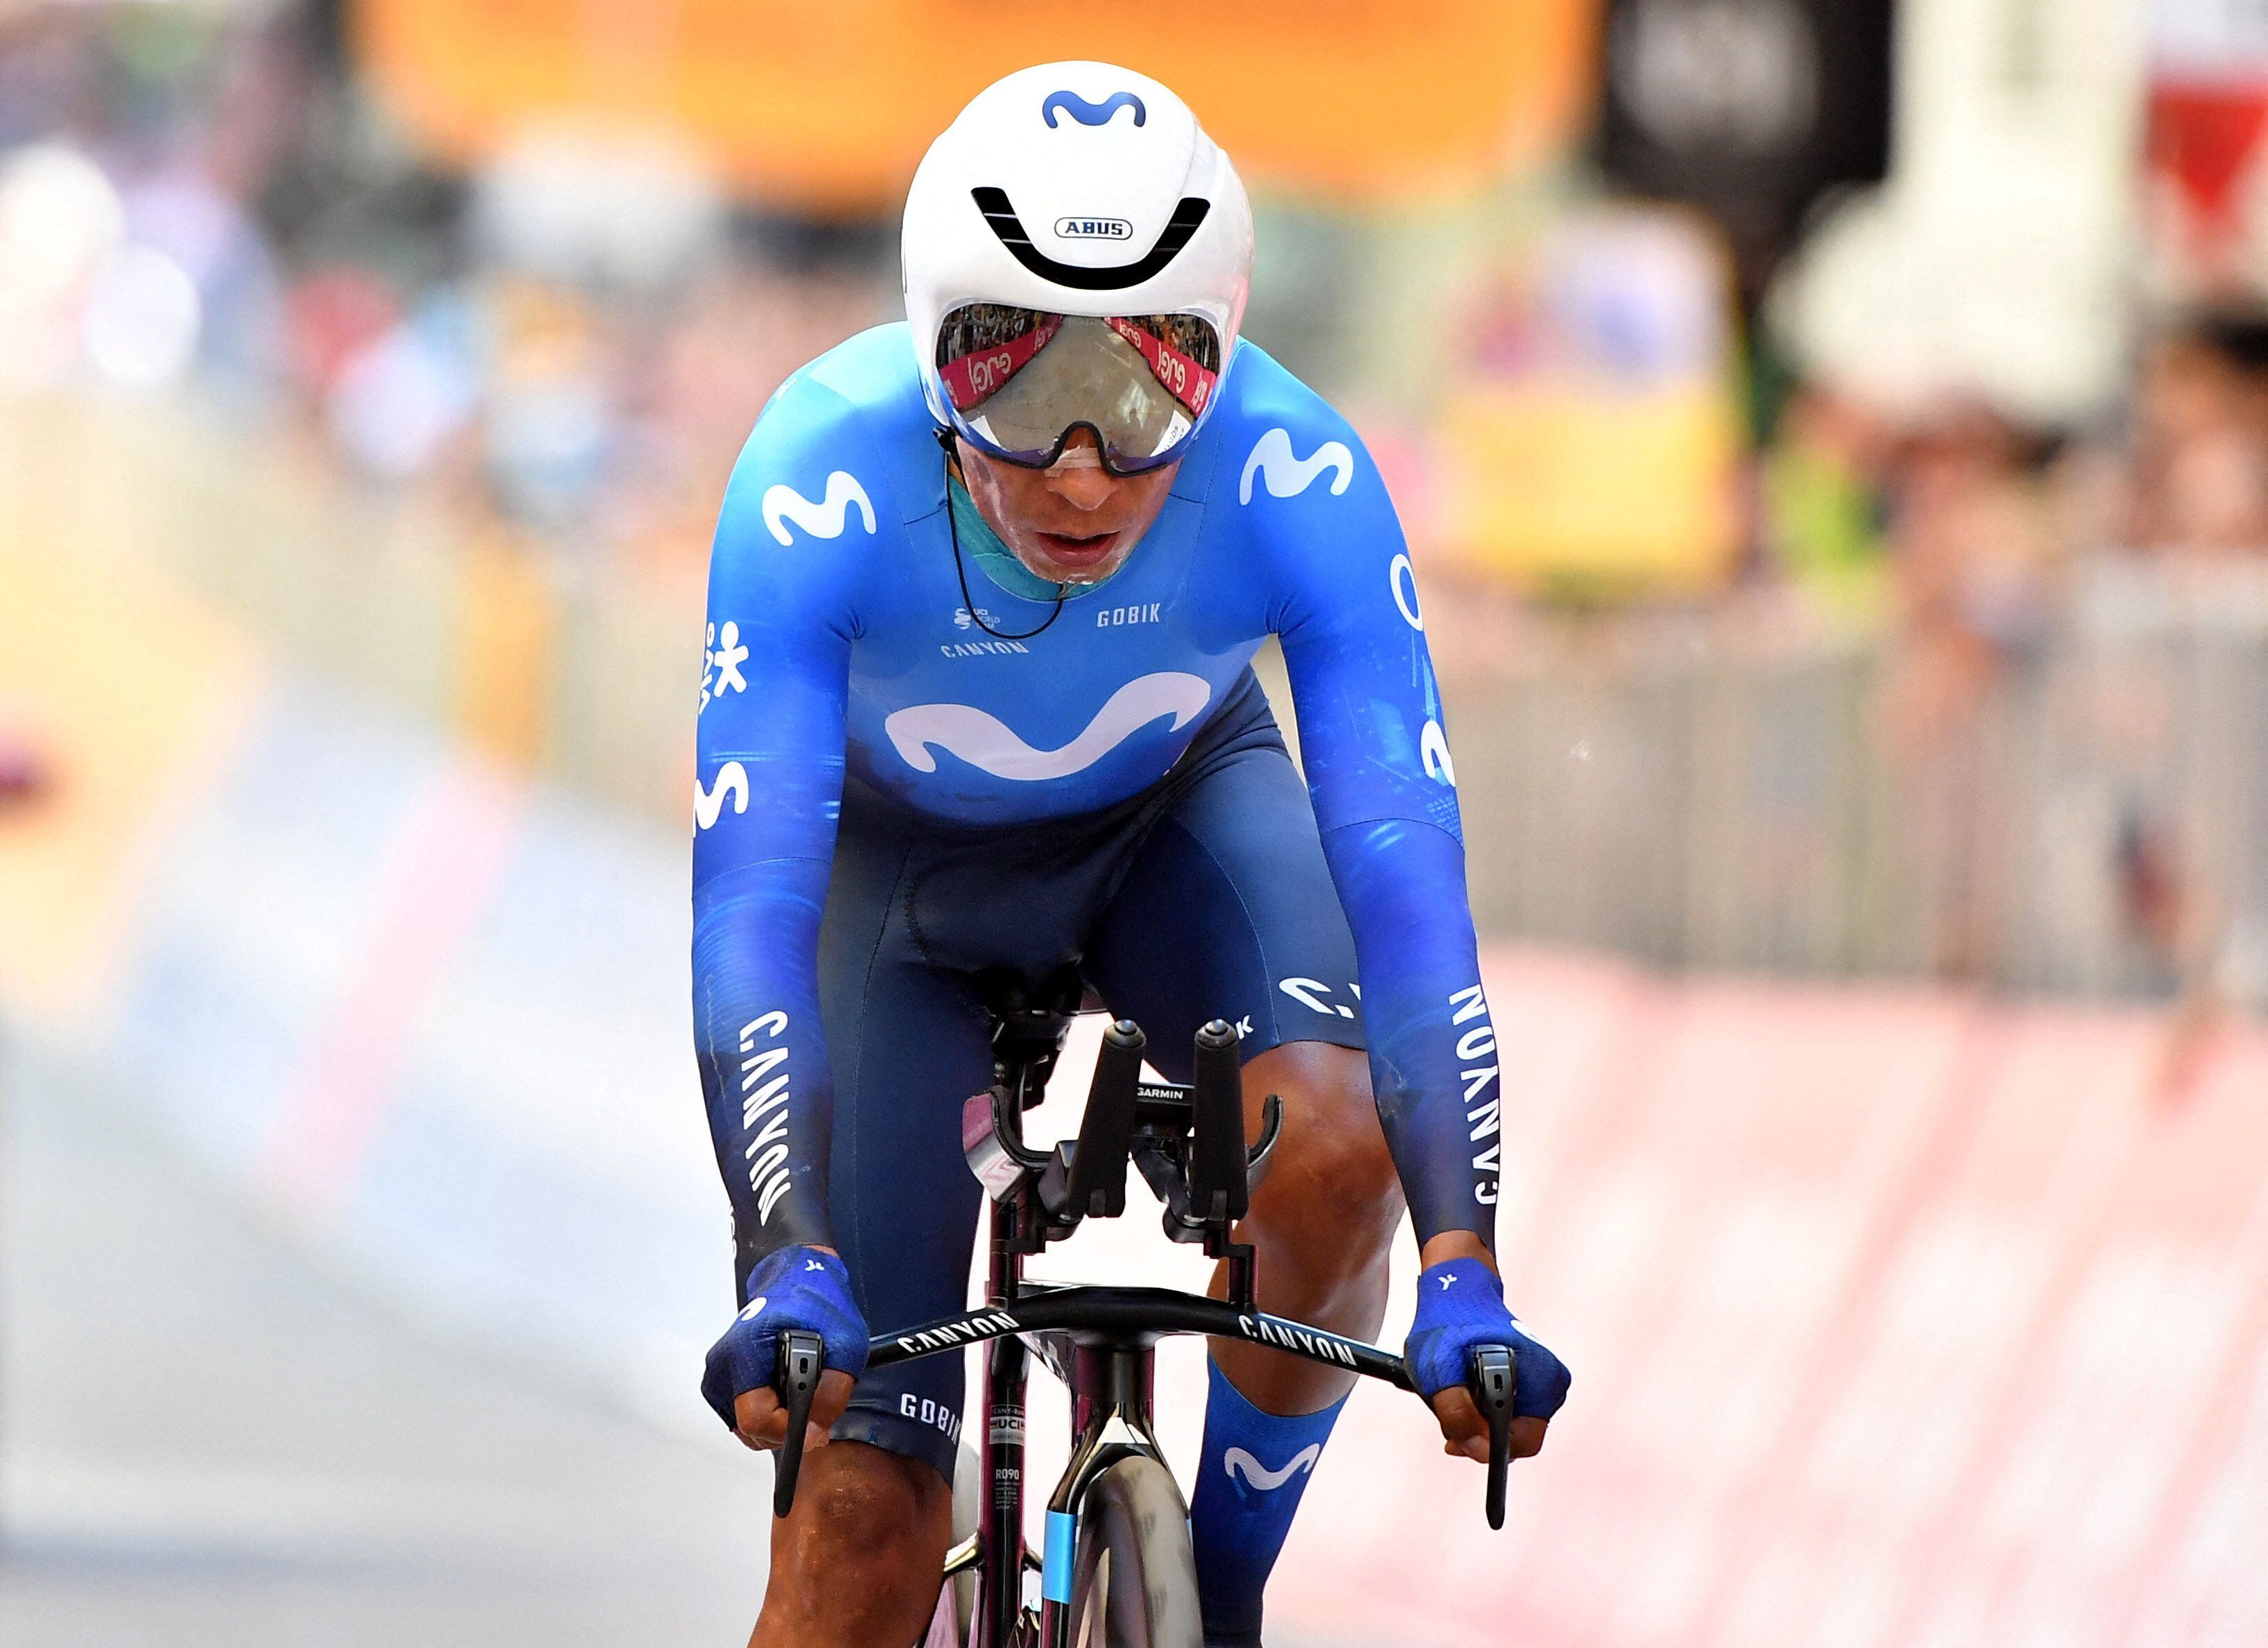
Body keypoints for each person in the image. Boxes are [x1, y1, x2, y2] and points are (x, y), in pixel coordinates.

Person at [692, 62, 1570, 1648]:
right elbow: (754, 901)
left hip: (1177, 829)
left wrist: (1464, 1265)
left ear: (1221, 363)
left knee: (1334, 1142)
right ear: (931, 362)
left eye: (1152, 389)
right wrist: (786, 1249)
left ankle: (1218, 1586)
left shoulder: (1299, 476)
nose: (1085, 463)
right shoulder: (813, 474)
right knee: (861, 1542)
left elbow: (1410, 894)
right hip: (896, 900)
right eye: (1019, 389)